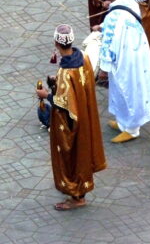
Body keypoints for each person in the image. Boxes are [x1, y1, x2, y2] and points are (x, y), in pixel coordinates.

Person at [36, 24, 106, 210]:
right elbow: (81, 84)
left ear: (56, 43)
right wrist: (57, 80)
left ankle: (77, 197)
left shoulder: (67, 72)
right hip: (86, 113)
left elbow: (65, 104)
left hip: (70, 122)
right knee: (82, 151)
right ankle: (78, 188)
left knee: (72, 154)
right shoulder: (82, 57)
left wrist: (47, 95)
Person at [93, 0, 150, 143]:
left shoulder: (113, 16)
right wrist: (104, 24)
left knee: (127, 89)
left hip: (125, 58)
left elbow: (109, 42)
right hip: (137, 50)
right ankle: (124, 122)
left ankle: (132, 129)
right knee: (126, 88)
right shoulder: (128, 2)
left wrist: (103, 69)